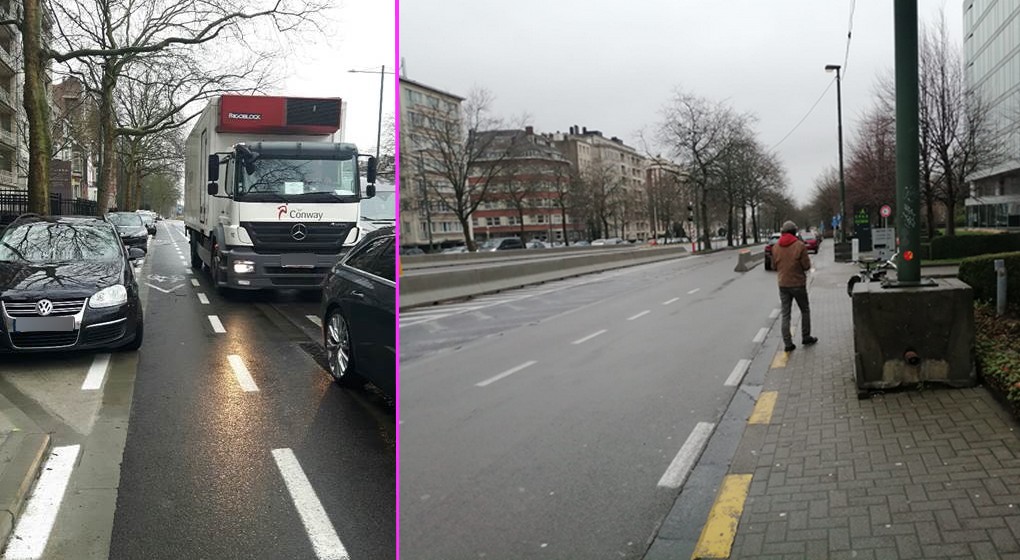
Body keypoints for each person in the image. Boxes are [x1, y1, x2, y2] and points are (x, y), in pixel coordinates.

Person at [772, 220, 818, 352]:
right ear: (794, 232)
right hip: (798, 283)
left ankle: (787, 343)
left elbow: (774, 266)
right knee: (805, 310)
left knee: (786, 314)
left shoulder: (776, 247)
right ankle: (806, 336)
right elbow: (806, 266)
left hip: (783, 284)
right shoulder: (799, 246)